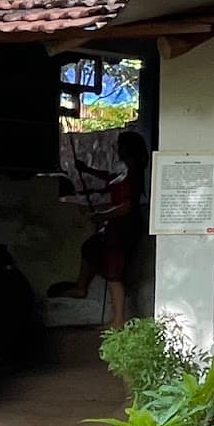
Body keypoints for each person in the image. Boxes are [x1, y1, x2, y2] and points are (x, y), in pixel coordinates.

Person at [48, 130, 149, 329]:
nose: (117, 149)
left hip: (124, 229)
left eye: (120, 146)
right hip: (116, 228)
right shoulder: (127, 173)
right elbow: (109, 178)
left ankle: (118, 320)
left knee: (114, 272)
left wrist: (101, 215)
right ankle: (80, 287)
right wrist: (86, 169)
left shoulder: (134, 175)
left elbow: (126, 207)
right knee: (91, 248)